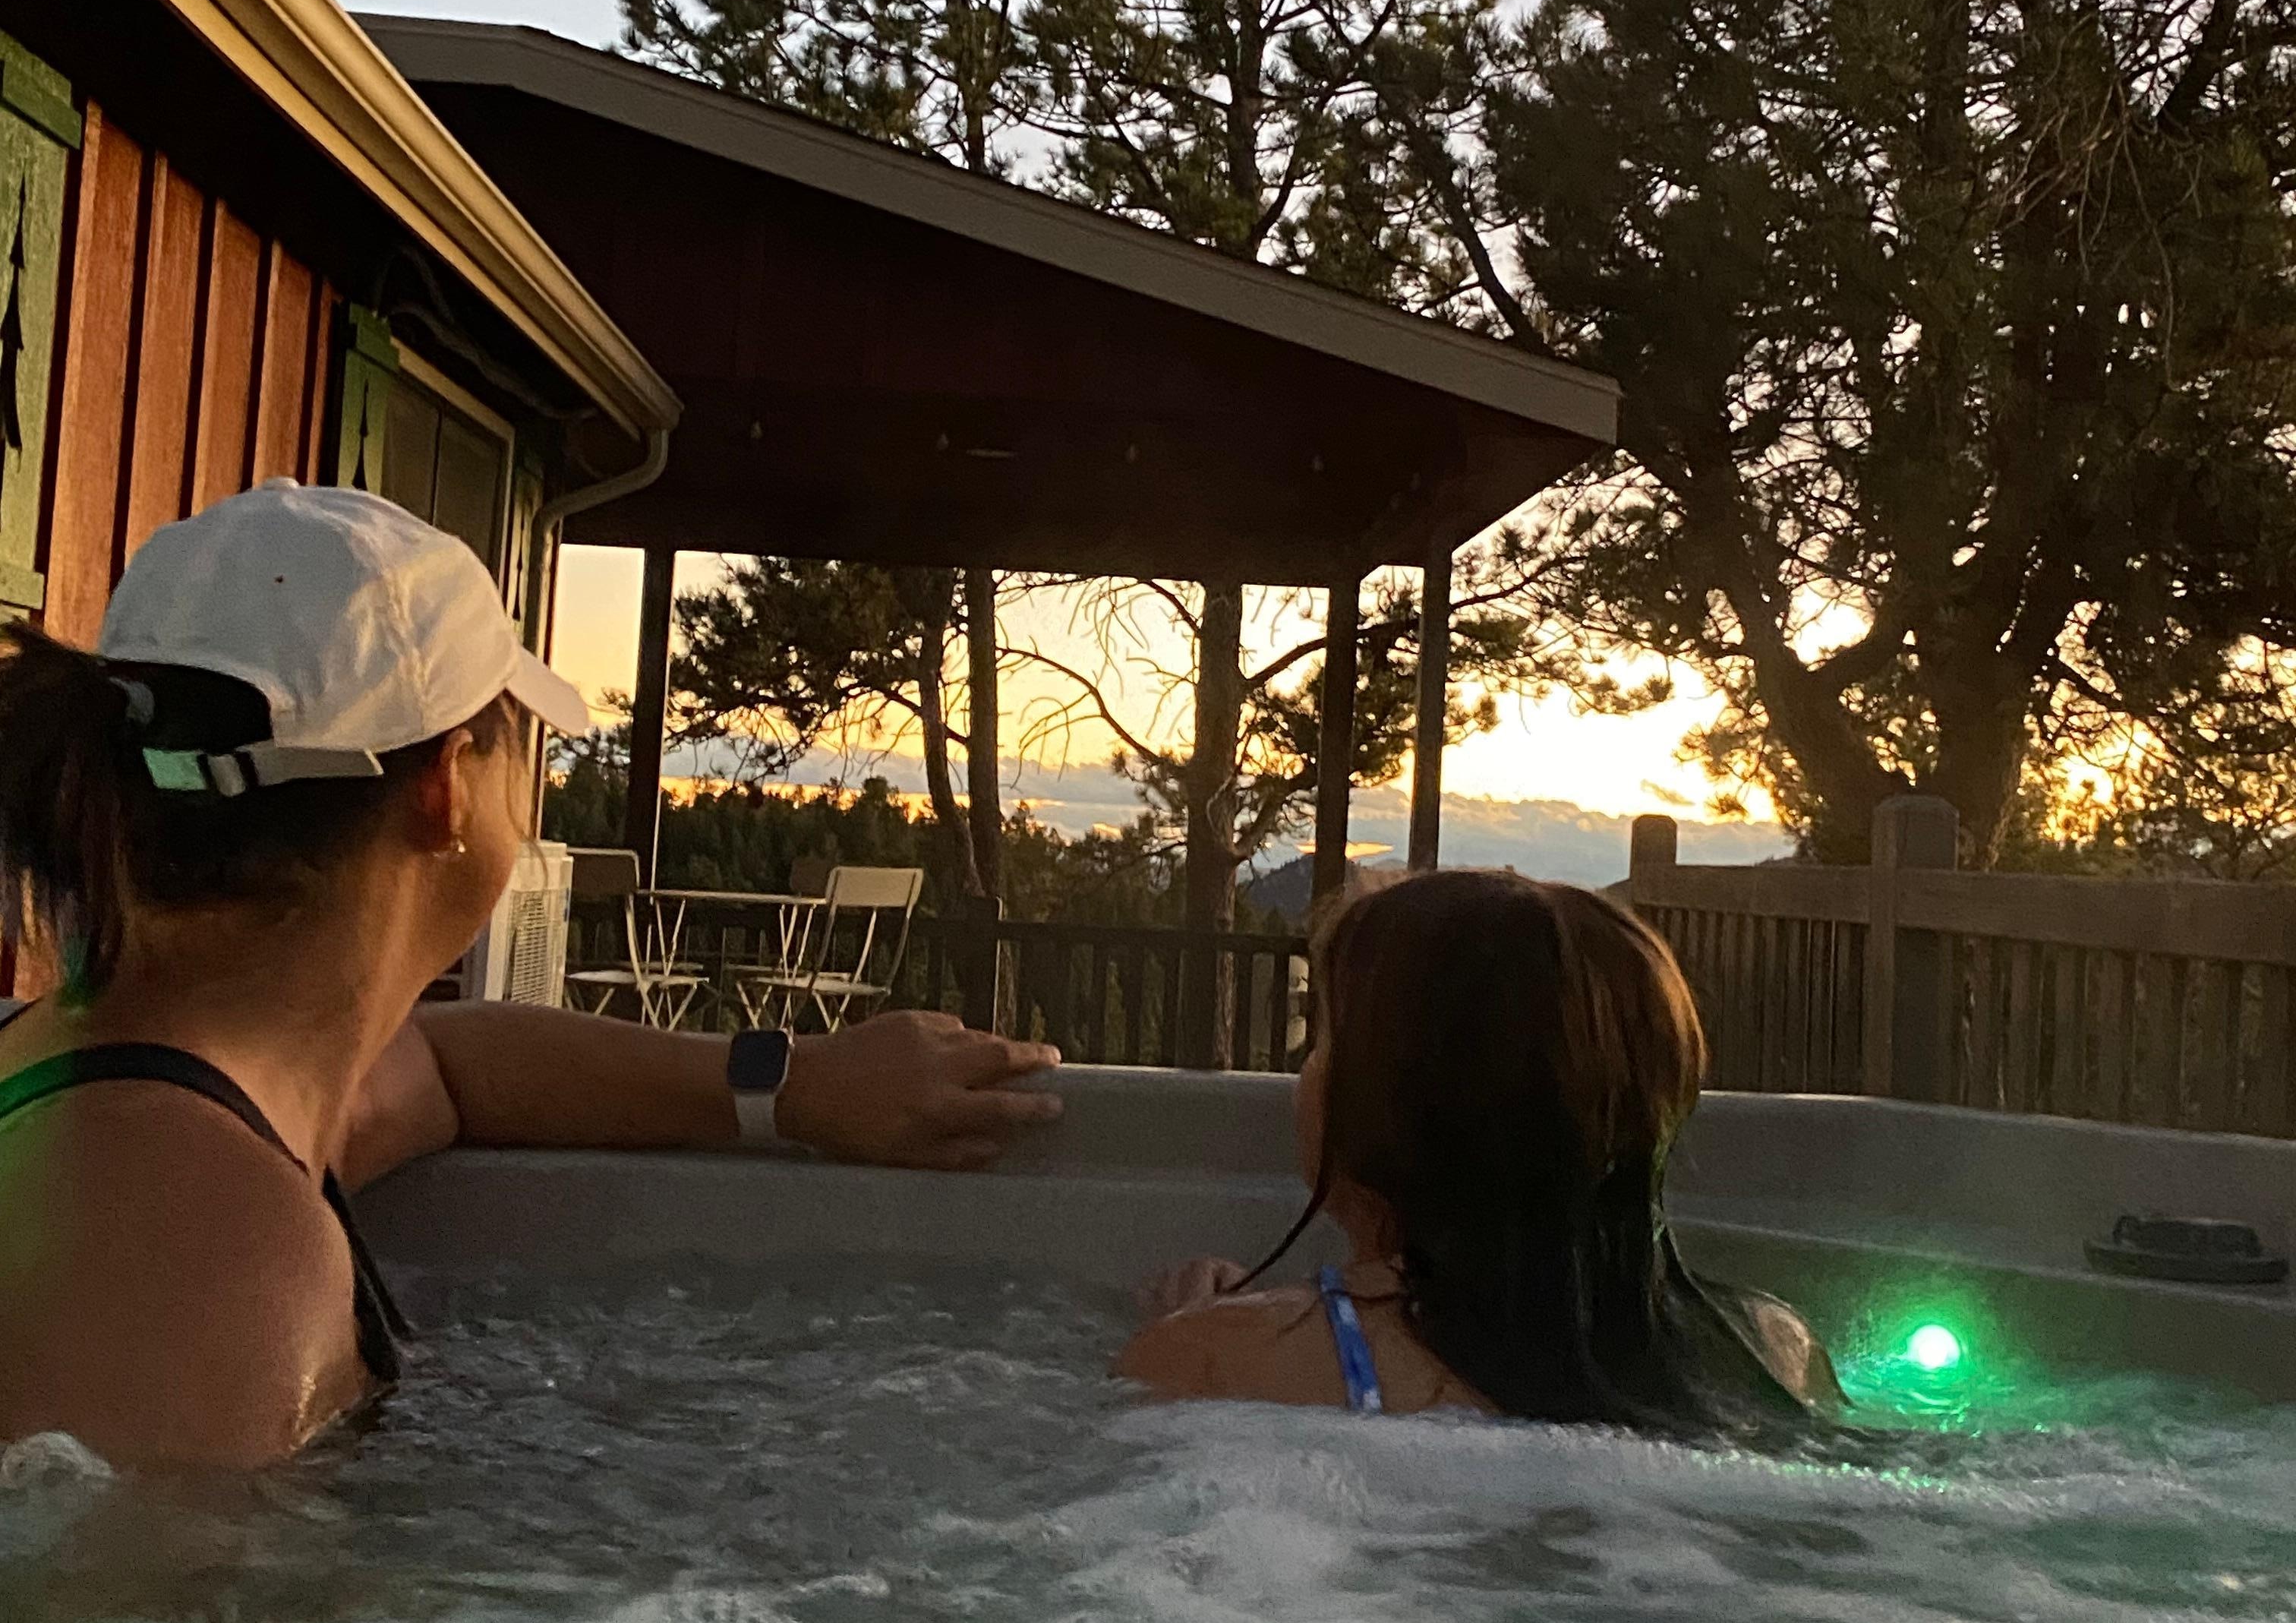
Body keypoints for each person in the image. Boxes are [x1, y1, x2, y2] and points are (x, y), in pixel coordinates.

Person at [0, 481, 1059, 1471]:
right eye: (528, 752)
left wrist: (795, 1086)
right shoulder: (206, 1257)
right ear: (448, 786)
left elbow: (453, 1071)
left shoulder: (183, 1099)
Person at [1115, 869, 1840, 1433]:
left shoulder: (1220, 1361)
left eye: (1322, 1040)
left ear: (1386, 1100)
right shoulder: (1773, 1350)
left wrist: (1197, 1331)